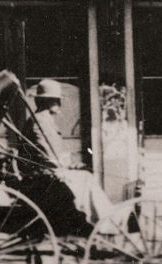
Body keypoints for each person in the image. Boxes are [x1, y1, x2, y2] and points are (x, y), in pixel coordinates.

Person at [23, 80, 113, 228]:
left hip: (48, 171)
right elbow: (46, 154)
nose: (60, 104)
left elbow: (52, 153)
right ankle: (104, 221)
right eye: (58, 100)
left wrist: (70, 165)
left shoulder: (44, 120)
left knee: (85, 176)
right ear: (49, 102)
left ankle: (101, 218)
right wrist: (65, 167)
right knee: (86, 178)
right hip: (46, 176)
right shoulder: (41, 122)